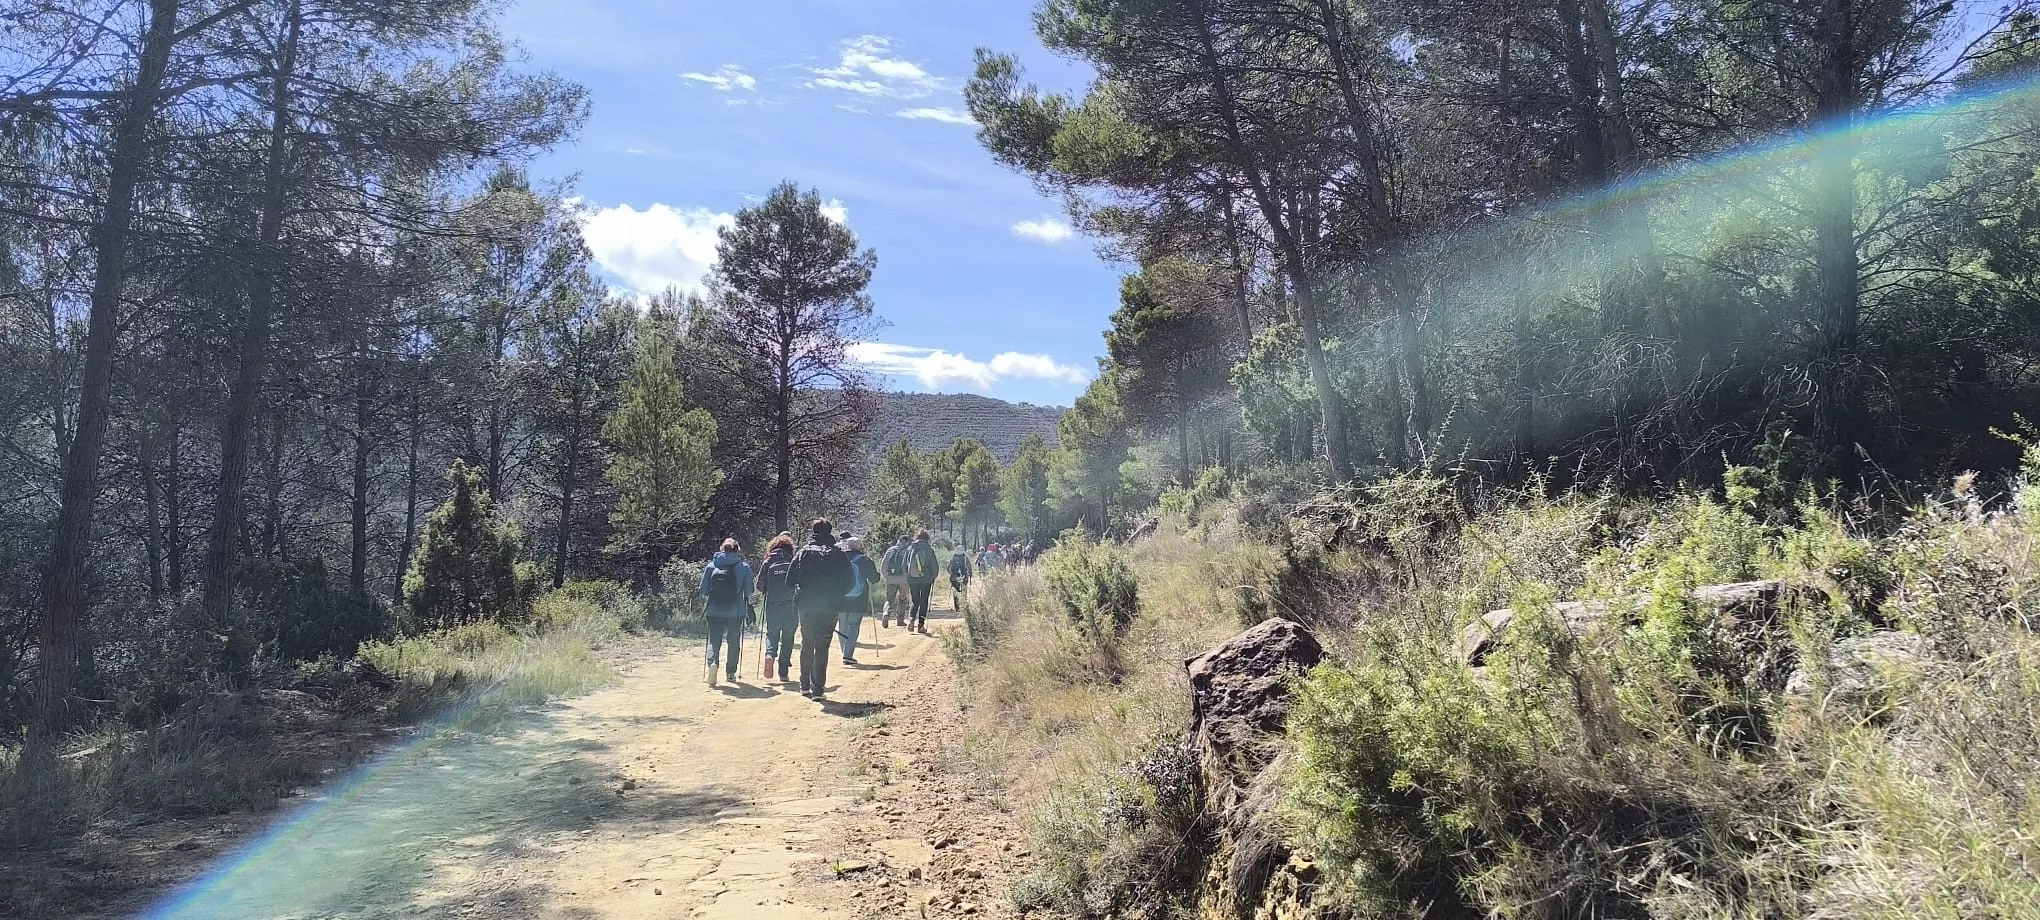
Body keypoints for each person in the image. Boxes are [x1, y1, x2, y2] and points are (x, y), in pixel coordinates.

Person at [788, 518, 853, 700]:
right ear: (830, 531)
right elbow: (850, 582)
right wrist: (838, 595)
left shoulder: (802, 553)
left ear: (813, 531)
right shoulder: (839, 554)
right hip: (830, 605)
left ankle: (804, 685)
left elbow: (789, 581)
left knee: (807, 643)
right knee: (822, 646)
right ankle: (818, 689)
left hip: (807, 604)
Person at [696, 538, 754, 687]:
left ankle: (712, 664)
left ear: (722, 549)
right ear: (737, 550)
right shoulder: (744, 567)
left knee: (714, 641)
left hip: (714, 611)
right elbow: (749, 591)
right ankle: (731, 673)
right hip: (736, 611)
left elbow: (703, 590)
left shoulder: (711, 566)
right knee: (733, 641)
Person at [755, 532, 798, 682]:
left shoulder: (768, 561)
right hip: (791, 606)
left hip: (772, 605)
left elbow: (759, 586)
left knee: (772, 634)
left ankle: (769, 655)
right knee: (788, 637)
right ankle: (783, 672)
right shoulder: (794, 560)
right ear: (790, 547)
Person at [839, 535, 882, 664]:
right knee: (853, 626)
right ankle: (847, 654)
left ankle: (844, 652)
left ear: (847, 546)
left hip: (840, 598)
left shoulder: (839, 558)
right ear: (860, 546)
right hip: (858, 598)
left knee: (842, 626)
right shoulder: (864, 560)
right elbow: (874, 579)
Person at [904, 529, 938, 633]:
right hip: (926, 579)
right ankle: (921, 625)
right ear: (927, 538)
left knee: (915, 600)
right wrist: (933, 577)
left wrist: (908, 576)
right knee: (924, 601)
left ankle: (911, 620)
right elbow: (934, 566)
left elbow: (904, 565)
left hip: (912, 579)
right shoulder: (928, 549)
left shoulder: (910, 548)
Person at [880, 534, 911, 628]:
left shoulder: (890, 550)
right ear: (906, 542)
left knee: (889, 599)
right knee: (903, 599)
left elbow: (883, 564)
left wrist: (886, 576)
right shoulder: (908, 551)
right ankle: (900, 620)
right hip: (904, 580)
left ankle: (886, 613)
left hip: (891, 579)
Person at [948, 544, 973, 611]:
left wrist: (952, 574)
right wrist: (970, 574)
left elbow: (948, 568)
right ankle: (964, 606)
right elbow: (969, 567)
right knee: (964, 592)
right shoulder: (965, 557)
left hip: (954, 578)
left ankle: (957, 607)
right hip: (964, 577)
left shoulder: (953, 557)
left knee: (956, 592)